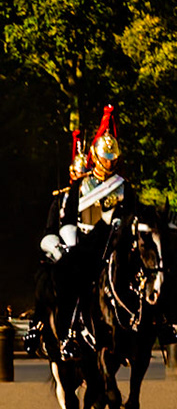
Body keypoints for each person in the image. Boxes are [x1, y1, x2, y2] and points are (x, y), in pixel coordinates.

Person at [40, 107, 131, 361]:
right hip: (88, 245)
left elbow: (131, 215)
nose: (110, 163)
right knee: (72, 282)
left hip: (115, 244)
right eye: (106, 158)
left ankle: (154, 324)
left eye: (113, 158)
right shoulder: (81, 186)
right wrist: (72, 242)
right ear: (96, 157)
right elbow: (68, 220)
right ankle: (68, 332)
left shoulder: (124, 186)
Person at [29, 122, 94, 358]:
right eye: (79, 174)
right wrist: (58, 249)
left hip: (89, 249)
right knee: (44, 279)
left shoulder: (95, 197)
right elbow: (50, 230)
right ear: (72, 174)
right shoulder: (60, 200)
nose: (82, 178)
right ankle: (37, 325)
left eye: (86, 173)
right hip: (64, 251)